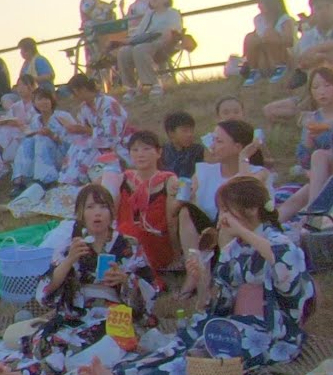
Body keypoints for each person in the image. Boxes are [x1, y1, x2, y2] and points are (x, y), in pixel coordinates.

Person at [84, 178, 314, 375]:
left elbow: (287, 274)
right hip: (235, 321)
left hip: (270, 331)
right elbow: (219, 302)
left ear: (252, 209)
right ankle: (122, 374)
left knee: (205, 352)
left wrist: (242, 233)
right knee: (186, 338)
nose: (223, 217)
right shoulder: (235, 247)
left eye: (227, 210)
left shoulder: (279, 242)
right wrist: (202, 276)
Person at [0, 185, 157, 375]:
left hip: (113, 316)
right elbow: (45, 290)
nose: (97, 213)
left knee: (73, 348)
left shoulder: (128, 246)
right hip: (76, 313)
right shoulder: (71, 246)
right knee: (47, 339)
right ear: (81, 214)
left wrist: (125, 280)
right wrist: (69, 260)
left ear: (112, 212)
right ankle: (6, 368)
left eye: (103, 207)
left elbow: (149, 290)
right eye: (90, 207)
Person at [178, 120, 271, 267]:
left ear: (238, 147)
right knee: (185, 211)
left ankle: (224, 272)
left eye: (219, 141)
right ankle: (193, 270)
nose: (213, 146)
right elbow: (190, 204)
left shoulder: (258, 173)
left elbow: (245, 192)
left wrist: (243, 158)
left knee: (228, 215)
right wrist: (186, 197)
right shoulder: (204, 170)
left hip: (239, 233)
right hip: (208, 234)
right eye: (213, 140)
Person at [277, 67, 333, 223]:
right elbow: (304, 161)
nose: (321, 91)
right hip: (328, 174)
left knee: (320, 155)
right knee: (295, 200)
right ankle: (267, 228)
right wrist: (308, 142)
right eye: (315, 87)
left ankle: (313, 214)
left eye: (326, 85)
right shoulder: (312, 119)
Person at [107, 131, 180, 275]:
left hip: (155, 241)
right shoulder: (123, 178)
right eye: (135, 150)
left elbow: (173, 220)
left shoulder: (168, 180)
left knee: (129, 230)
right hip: (124, 239)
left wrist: (177, 254)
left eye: (147, 149)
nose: (140, 154)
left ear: (158, 152)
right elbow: (111, 212)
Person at [59, 74, 130, 186]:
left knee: (83, 148)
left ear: (82, 90)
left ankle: (75, 181)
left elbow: (112, 135)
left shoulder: (108, 103)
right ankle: (68, 181)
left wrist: (86, 130)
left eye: (75, 93)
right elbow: (83, 130)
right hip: (98, 143)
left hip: (117, 144)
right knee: (77, 145)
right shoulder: (84, 108)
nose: (74, 97)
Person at [116, 0, 182, 99]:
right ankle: (131, 88)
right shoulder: (149, 14)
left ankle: (154, 84)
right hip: (147, 41)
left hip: (163, 42)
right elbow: (140, 31)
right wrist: (129, 41)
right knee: (123, 52)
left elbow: (174, 31)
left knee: (140, 49)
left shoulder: (173, 13)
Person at [11, 87, 76, 192]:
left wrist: (52, 136)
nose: (43, 102)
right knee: (27, 141)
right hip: (41, 157)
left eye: (46, 99)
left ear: (52, 100)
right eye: (39, 99)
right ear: (34, 103)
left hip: (64, 156)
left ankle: (47, 179)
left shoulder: (62, 116)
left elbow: (73, 143)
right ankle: (21, 179)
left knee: (42, 139)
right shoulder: (35, 120)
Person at [242, 0, 297, 87]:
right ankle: (254, 70)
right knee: (250, 37)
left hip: (284, 56)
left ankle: (280, 68)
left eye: (261, 3)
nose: (258, 6)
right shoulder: (258, 19)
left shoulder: (284, 19)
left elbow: (290, 41)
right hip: (264, 57)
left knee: (270, 34)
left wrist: (271, 38)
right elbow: (256, 36)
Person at [161, 111, 206, 181]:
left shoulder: (198, 150)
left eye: (192, 131)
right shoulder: (161, 152)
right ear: (171, 133)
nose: (190, 134)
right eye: (185, 131)